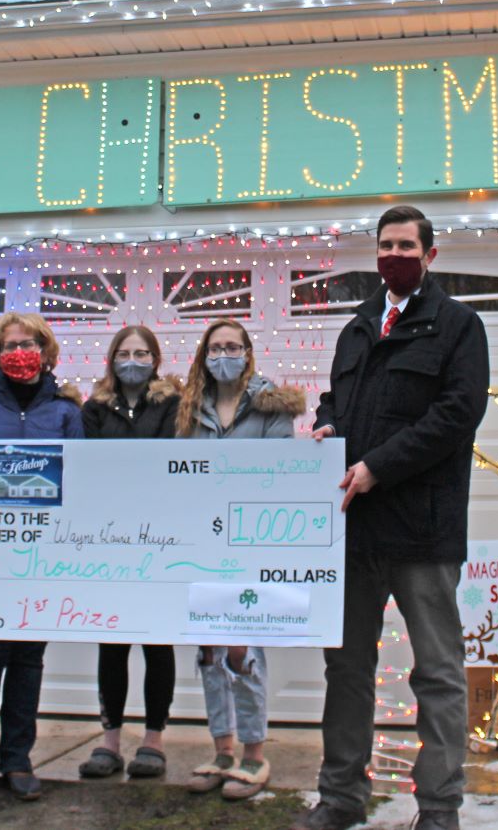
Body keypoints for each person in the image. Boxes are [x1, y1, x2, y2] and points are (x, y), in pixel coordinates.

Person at [295, 205, 489, 830]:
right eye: (386, 245)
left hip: (423, 531)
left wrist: (378, 464)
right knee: (347, 667)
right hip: (356, 531)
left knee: (436, 671)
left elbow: (457, 415)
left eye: (407, 245)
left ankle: (438, 807)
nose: (395, 255)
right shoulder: (356, 328)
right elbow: (339, 399)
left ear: (429, 255)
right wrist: (328, 424)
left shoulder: (458, 326)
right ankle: (341, 797)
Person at [0, 312, 83, 804]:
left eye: (28, 344)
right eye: (8, 346)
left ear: (46, 351)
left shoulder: (67, 411)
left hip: (44, 554)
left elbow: (82, 477)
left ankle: (17, 759)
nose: (18, 352)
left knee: (28, 658)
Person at [177, 317, 305, 802]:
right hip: (200, 543)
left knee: (242, 648)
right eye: (215, 347)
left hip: (251, 543)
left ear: (248, 352)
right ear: (203, 355)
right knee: (208, 649)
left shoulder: (271, 406)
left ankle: (254, 752)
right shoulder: (190, 408)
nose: (223, 354)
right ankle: (222, 749)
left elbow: (277, 468)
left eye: (232, 346)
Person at [76, 324, 182, 783]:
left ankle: (153, 740)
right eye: (125, 353)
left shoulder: (174, 406)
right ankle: (110, 739)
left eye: (142, 353)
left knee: (158, 643)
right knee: (112, 643)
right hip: (110, 541)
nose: (133, 361)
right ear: (111, 359)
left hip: (162, 539)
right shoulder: (95, 409)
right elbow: (86, 467)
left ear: (155, 360)